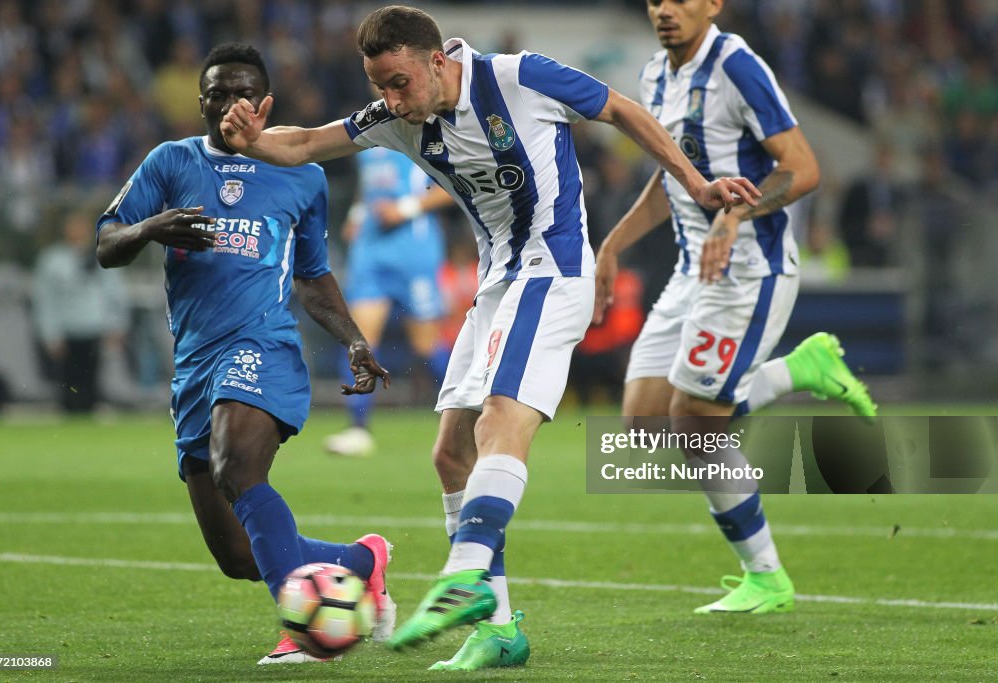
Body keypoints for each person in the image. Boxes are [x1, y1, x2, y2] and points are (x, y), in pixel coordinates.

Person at [220, 5, 759, 671]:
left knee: (501, 421)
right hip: (498, 284)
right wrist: (252, 138)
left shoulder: (520, 77)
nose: (389, 99)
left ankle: (465, 572)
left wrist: (698, 183)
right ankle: (500, 626)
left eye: (398, 82)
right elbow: (304, 144)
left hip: (554, 270)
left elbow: (620, 110)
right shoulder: (396, 118)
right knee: (450, 453)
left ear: (436, 61)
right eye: (379, 86)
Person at [95, 42, 395, 666]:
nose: (230, 106)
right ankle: (364, 559)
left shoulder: (303, 173)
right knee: (236, 556)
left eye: (242, 95)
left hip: (263, 345)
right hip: (194, 366)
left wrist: (355, 340)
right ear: (200, 102)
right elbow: (106, 242)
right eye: (216, 95)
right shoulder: (170, 162)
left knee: (237, 468)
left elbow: (313, 277)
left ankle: (304, 630)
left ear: (264, 104)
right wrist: (149, 229)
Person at [593, 0, 877, 616]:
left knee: (695, 418)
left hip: (751, 270)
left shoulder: (738, 66)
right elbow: (675, 176)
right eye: (655, 0)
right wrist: (612, 245)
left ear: (714, 3)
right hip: (693, 269)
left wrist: (736, 215)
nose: (666, 10)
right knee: (644, 423)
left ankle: (767, 578)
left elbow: (802, 168)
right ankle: (800, 370)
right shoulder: (653, 76)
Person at [324, 147, 453, 457]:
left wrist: (405, 208)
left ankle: (468, 412)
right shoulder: (368, 132)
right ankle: (358, 428)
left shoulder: (425, 128)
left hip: (414, 253)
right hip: (371, 251)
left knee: (426, 348)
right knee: (359, 342)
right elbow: (368, 186)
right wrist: (357, 214)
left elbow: (453, 185)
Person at [33, 210, 129, 414]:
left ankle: (90, 421)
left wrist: (117, 325)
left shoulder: (103, 253)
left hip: (95, 328)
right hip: (67, 330)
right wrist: (49, 333)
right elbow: (45, 300)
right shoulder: (52, 260)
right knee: (67, 386)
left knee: (93, 384)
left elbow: (115, 295)